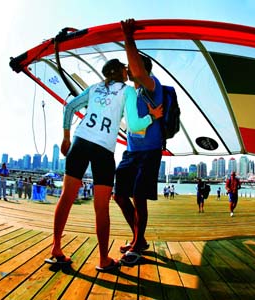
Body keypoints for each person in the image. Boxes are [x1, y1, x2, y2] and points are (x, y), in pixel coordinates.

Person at [47, 56, 162, 272]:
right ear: (119, 72)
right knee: (101, 207)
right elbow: (135, 125)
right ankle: (103, 259)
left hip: (80, 142)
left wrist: (65, 137)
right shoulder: (127, 91)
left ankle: (56, 249)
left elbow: (70, 107)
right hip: (103, 150)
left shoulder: (94, 88)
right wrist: (152, 117)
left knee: (66, 197)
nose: (128, 71)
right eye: (125, 69)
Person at [114, 19, 166, 265]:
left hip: (149, 152)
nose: (128, 70)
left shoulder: (152, 86)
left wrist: (128, 37)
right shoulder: (131, 93)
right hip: (131, 152)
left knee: (139, 196)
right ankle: (139, 238)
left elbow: (137, 69)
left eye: (132, 67)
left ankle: (137, 243)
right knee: (119, 195)